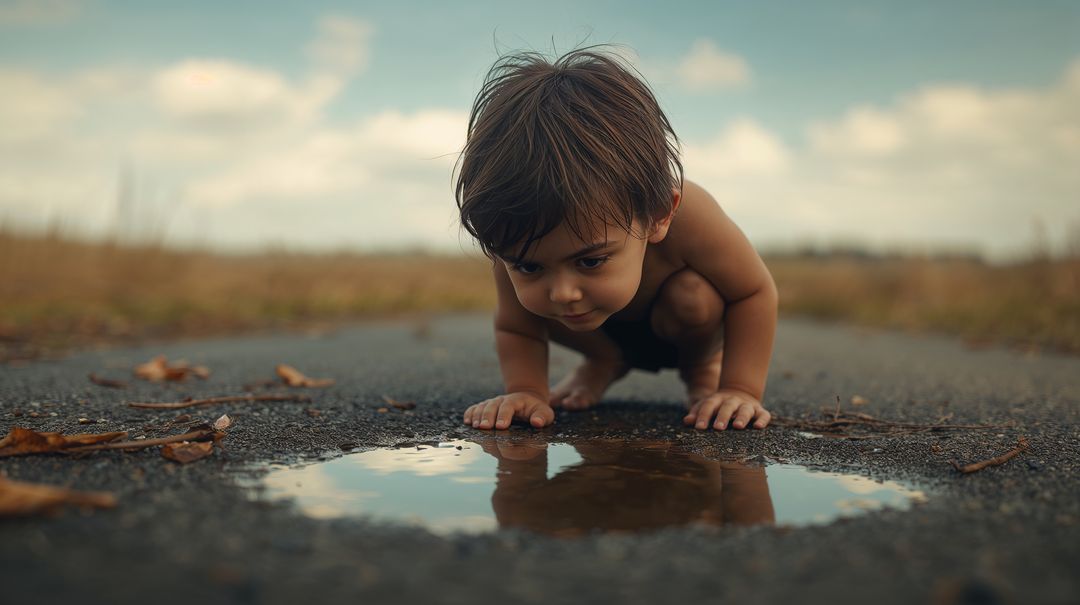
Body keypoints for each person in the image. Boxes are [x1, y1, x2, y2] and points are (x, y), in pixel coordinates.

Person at [454, 45, 777, 432]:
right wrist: (527, 391)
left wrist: (740, 387)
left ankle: (699, 370)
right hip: (598, 336)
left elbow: (753, 292)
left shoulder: (692, 215)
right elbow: (516, 327)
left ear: (659, 214)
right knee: (534, 302)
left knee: (694, 296)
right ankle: (604, 362)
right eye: (528, 265)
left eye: (590, 260)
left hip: (681, 328)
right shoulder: (518, 230)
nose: (564, 292)